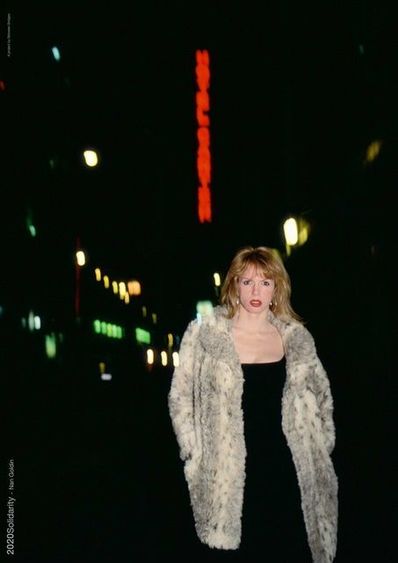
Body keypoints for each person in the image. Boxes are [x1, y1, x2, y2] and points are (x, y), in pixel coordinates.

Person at [168, 246, 338, 563]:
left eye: (265, 282)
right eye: (247, 282)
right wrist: (194, 452)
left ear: (277, 288)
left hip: (287, 470)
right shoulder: (206, 336)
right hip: (227, 475)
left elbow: (321, 399)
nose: (255, 291)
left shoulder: (297, 339)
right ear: (234, 286)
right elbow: (181, 398)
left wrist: (320, 446)